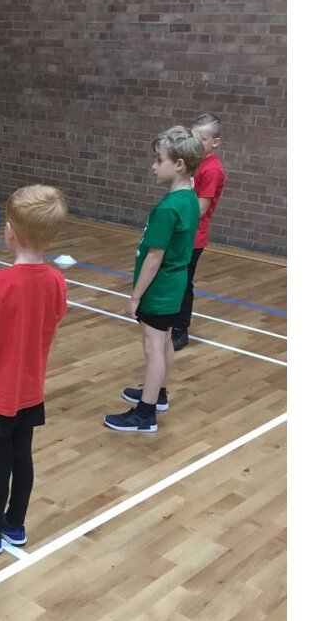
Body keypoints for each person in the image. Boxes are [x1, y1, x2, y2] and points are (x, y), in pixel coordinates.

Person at [0, 185, 70, 554]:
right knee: (22, 455)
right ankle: (15, 524)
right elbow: (52, 325)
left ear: (8, 232)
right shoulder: (56, 281)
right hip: (30, 388)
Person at [104, 126, 201, 433]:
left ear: (179, 164)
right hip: (175, 283)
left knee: (153, 345)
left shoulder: (169, 208)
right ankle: (157, 393)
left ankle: (145, 414)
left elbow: (154, 257)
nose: (154, 166)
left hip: (160, 288)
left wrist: (135, 296)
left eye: (159, 160)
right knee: (164, 339)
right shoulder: (189, 198)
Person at [172, 112, 227, 350]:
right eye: (193, 137)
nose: (196, 143)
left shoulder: (212, 169)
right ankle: (169, 321)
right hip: (182, 233)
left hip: (193, 236)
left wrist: (174, 217)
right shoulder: (194, 163)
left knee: (184, 283)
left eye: (202, 139)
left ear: (215, 142)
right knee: (175, 279)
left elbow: (201, 208)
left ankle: (180, 329)